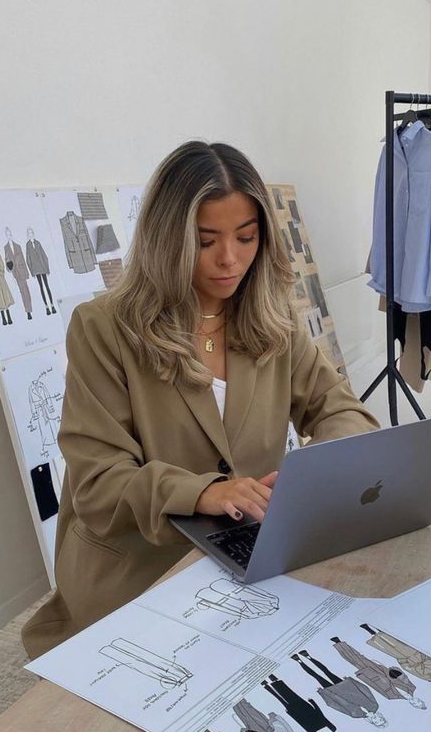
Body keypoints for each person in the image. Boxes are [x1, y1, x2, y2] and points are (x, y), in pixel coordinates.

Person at [22, 141, 380, 657]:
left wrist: (320, 470)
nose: (229, 258)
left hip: (248, 555)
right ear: (167, 238)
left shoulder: (271, 318)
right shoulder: (104, 328)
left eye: (246, 237)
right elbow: (99, 482)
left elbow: (340, 408)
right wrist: (202, 493)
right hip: (139, 569)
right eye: (206, 240)